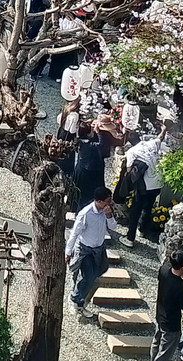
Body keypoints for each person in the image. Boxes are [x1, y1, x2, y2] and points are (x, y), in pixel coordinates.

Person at [66, 187, 119, 320]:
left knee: (101, 270)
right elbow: (74, 233)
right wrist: (68, 251)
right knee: (89, 277)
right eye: (107, 201)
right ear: (99, 201)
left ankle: (79, 290)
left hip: (99, 249)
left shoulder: (105, 211)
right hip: (86, 250)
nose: (109, 203)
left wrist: (109, 215)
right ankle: (76, 300)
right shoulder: (86, 214)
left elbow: (113, 227)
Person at [122, 128, 170, 245]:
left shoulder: (132, 151)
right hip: (157, 184)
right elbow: (160, 137)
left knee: (135, 210)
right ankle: (142, 230)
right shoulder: (150, 143)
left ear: (130, 142)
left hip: (144, 186)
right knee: (148, 207)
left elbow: (129, 170)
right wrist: (163, 129)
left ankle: (130, 239)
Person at [72, 124, 105, 210]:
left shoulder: (79, 141)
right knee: (87, 194)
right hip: (89, 172)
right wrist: (99, 133)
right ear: (87, 134)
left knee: (80, 193)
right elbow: (101, 144)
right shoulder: (90, 145)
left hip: (81, 169)